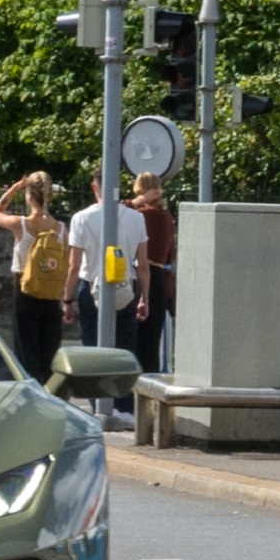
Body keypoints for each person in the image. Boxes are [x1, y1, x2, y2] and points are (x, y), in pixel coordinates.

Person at [65, 172, 150, 428]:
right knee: (124, 349)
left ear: (94, 186)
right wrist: (145, 297)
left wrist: (66, 299)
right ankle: (124, 406)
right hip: (126, 288)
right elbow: (143, 264)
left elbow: (74, 264)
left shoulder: (81, 218)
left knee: (93, 349)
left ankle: (98, 404)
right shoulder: (136, 218)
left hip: (90, 286)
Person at [0, 172, 67, 378]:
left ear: (29, 195)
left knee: (26, 351)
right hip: (51, 294)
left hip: (26, 289)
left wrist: (14, 188)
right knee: (48, 353)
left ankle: (33, 393)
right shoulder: (60, 229)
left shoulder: (20, 224)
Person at [129, 170, 176, 376]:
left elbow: (111, 215)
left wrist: (135, 201)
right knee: (151, 344)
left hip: (142, 277)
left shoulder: (140, 215)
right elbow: (169, 256)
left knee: (136, 343)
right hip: (160, 280)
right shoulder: (166, 216)